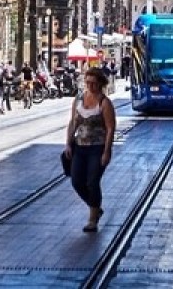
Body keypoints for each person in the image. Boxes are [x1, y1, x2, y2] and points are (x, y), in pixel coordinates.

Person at [63, 67, 116, 233]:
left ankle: (93, 218)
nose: (90, 86)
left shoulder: (104, 103)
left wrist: (107, 151)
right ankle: (95, 206)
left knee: (92, 182)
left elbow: (110, 128)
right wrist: (68, 143)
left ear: (100, 83)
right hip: (80, 147)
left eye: (93, 83)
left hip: (97, 148)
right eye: (88, 83)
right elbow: (73, 122)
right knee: (77, 181)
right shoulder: (78, 99)